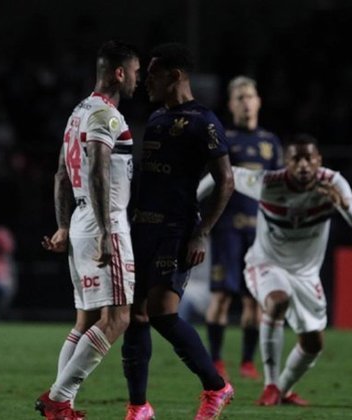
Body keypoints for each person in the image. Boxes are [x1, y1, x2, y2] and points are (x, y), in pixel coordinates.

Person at [200, 133, 352, 406]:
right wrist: (192, 207)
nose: (303, 165)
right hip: (266, 263)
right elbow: (220, 174)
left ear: (318, 161)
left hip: (306, 274)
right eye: (296, 159)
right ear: (285, 162)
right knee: (277, 301)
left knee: (313, 344)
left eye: (308, 159)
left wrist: (343, 204)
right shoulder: (267, 183)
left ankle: (283, 389)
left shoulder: (333, 183)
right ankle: (270, 385)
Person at [123, 42, 235, 420]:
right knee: (134, 316)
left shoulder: (205, 121)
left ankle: (216, 387)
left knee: (162, 314)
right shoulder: (155, 119)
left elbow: (226, 182)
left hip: (176, 230)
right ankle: (139, 406)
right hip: (141, 228)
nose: (145, 81)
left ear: (175, 76)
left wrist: (202, 232)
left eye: (152, 74)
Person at [35, 40, 140, 420]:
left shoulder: (78, 112)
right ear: (119, 72)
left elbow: (63, 173)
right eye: (135, 71)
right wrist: (104, 230)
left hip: (80, 220)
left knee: (86, 320)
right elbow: (95, 166)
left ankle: (63, 404)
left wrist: (64, 225)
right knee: (118, 318)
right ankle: (59, 398)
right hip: (103, 220)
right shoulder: (106, 115)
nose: (137, 79)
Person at [204, 75, 283, 382]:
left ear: (259, 101)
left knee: (255, 300)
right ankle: (216, 360)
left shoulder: (270, 143)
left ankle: (248, 361)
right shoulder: (223, 139)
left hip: (260, 232)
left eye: (250, 96)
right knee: (222, 296)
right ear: (231, 104)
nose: (246, 102)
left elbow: (278, 189)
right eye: (240, 98)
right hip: (227, 229)